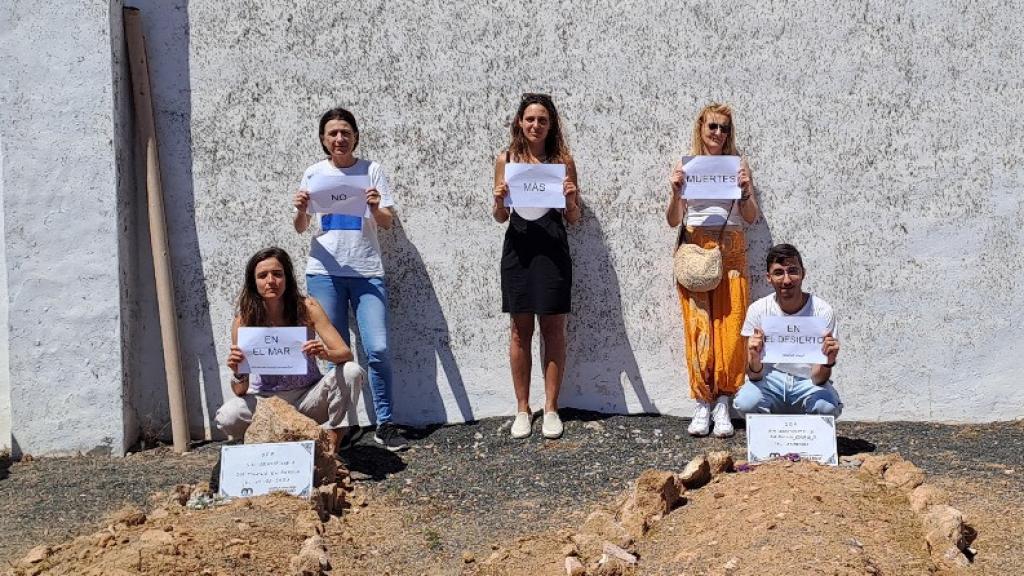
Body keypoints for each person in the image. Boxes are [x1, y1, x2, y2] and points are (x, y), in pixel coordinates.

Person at [292, 107, 408, 451]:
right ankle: (340, 427)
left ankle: (385, 423)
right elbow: (301, 227)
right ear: (323, 139)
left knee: (378, 348)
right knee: (333, 354)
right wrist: (300, 208)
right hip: (324, 272)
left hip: (367, 271)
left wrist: (374, 206)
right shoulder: (314, 173)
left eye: (345, 132)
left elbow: (386, 222)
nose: (339, 138)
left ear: (355, 136)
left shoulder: (371, 171)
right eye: (332, 133)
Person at [666, 103, 759, 438]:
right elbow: (674, 220)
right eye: (713, 127)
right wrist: (676, 192)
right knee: (699, 325)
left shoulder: (738, 165)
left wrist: (746, 191)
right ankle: (702, 401)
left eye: (724, 128)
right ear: (701, 128)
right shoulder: (686, 165)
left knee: (732, 327)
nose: (718, 134)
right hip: (696, 247)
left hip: (731, 246)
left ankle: (724, 401)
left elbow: (750, 217)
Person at [492, 93, 581, 439]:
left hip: (553, 247)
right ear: (519, 122)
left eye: (542, 120)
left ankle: (552, 408)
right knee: (519, 329)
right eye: (530, 119)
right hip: (518, 247)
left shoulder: (562, 161)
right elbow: (500, 216)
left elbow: (573, 217)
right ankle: (522, 408)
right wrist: (498, 201)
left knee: (553, 329)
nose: (535, 125)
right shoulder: (507, 159)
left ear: (551, 125)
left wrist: (572, 200)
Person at [216, 247, 362, 452]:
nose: (271, 281)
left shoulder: (307, 307)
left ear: (287, 277)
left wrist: (324, 353)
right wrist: (238, 371)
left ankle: (332, 448)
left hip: (308, 398)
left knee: (351, 371)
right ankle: (266, 446)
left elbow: (345, 353)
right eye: (262, 275)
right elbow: (240, 390)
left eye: (277, 274)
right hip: (266, 402)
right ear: (253, 282)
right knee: (227, 417)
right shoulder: (244, 320)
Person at [733, 243, 843, 416]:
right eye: (778, 273)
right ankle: (772, 436)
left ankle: (806, 437)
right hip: (770, 380)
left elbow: (818, 378)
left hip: (808, 381)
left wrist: (828, 361)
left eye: (792, 271)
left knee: (827, 408)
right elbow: (754, 376)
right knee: (745, 403)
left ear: (803, 274)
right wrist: (754, 358)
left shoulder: (822, 311)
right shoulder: (758, 310)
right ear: (768, 277)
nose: (786, 280)